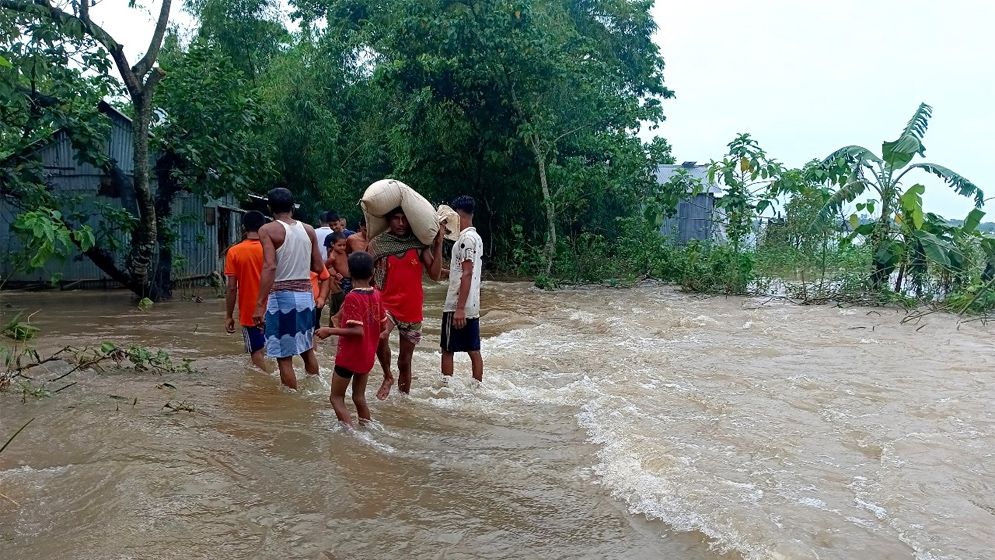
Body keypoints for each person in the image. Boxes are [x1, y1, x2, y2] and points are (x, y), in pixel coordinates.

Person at [253, 187, 326, 389]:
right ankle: (316, 390)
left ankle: (292, 401)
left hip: (282, 298)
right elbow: (319, 267)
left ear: (269, 207)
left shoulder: (267, 230)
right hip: (306, 297)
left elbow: (270, 266)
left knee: (284, 357)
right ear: (293, 207)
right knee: (307, 349)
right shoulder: (309, 230)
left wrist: (259, 304)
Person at [368, 207, 444, 398]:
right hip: (385, 303)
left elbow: (435, 275)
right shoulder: (377, 245)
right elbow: (365, 275)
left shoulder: (419, 245)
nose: (401, 223)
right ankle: (387, 375)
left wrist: (438, 244)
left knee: (405, 361)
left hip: (411, 308)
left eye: (404, 219)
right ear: (388, 221)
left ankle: (404, 402)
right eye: (396, 219)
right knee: (380, 335)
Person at [315, 251, 388, 426]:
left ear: (349, 272)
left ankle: (351, 434)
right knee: (359, 397)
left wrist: (330, 331)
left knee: (336, 398)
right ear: (372, 274)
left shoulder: (352, 297)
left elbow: (357, 331)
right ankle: (367, 428)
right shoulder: (377, 295)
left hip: (349, 357)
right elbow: (383, 327)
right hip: (367, 355)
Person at [440, 196, 484, 383]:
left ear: (458, 215)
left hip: (457, 305)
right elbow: (466, 271)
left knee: (447, 350)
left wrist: (459, 308)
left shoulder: (465, 240)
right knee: (473, 349)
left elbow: (466, 274)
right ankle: (477, 387)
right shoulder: (476, 238)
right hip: (472, 304)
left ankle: (446, 389)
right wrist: (448, 272)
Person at [224, 211, 272, 372]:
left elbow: (231, 287)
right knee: (278, 352)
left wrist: (229, 315)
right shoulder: (272, 249)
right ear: (264, 227)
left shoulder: (234, 252)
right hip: (275, 308)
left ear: (243, 227)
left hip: (250, 311)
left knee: (256, 352)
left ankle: (265, 389)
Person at [324, 231, 351, 322]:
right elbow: (324, 267)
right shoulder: (332, 256)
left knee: (349, 300)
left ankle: (344, 320)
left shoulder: (344, 252)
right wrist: (334, 274)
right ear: (332, 244)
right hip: (342, 280)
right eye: (340, 245)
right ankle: (337, 319)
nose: (342, 247)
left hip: (350, 279)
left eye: (344, 245)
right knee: (343, 300)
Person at [310, 264, 332, 331]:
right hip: (287, 303)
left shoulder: (312, 258)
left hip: (313, 304)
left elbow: (326, 277)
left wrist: (322, 297)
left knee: (312, 331)